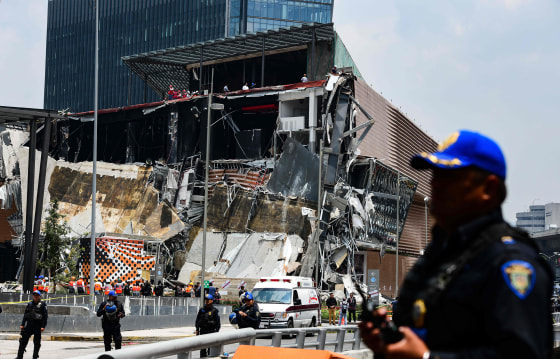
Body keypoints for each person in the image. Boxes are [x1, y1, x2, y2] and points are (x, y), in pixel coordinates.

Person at [359, 130, 553, 359]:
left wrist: (427, 358)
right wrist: (389, 343)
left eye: (450, 178)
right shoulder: (441, 253)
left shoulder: (510, 262)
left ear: (488, 189)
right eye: (435, 175)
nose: (435, 185)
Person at [16, 290, 48, 359]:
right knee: (23, 341)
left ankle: (35, 356)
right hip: (29, 325)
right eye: (34, 295)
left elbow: (45, 316)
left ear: (39, 296)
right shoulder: (30, 304)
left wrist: (43, 326)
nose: (35, 297)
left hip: (38, 325)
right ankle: (19, 356)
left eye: (37, 295)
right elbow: (25, 315)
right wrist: (22, 324)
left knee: (37, 342)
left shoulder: (42, 305)